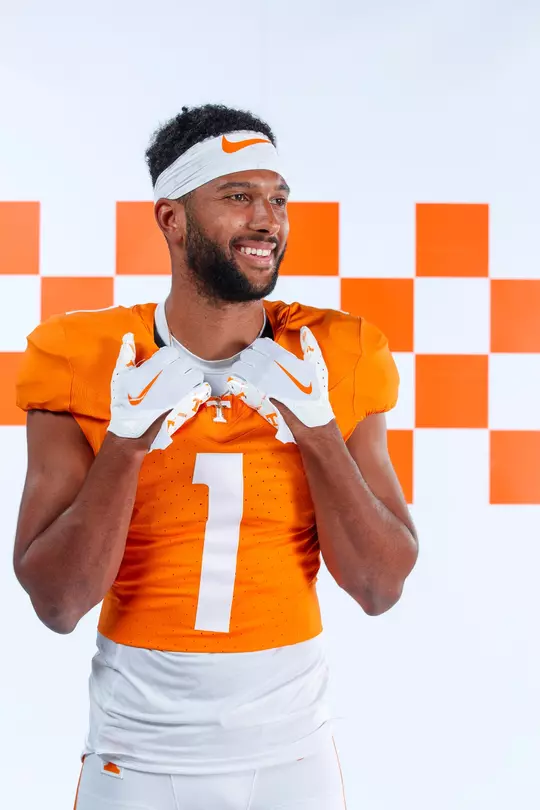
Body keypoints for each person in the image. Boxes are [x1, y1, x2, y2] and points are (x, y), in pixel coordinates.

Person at [13, 104, 418, 810]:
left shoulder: (334, 353)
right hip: (140, 755)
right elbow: (58, 602)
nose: (267, 219)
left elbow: (380, 589)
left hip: (294, 756)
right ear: (173, 219)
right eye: (238, 197)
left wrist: (317, 431)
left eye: (278, 198)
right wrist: (126, 443)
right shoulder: (82, 356)